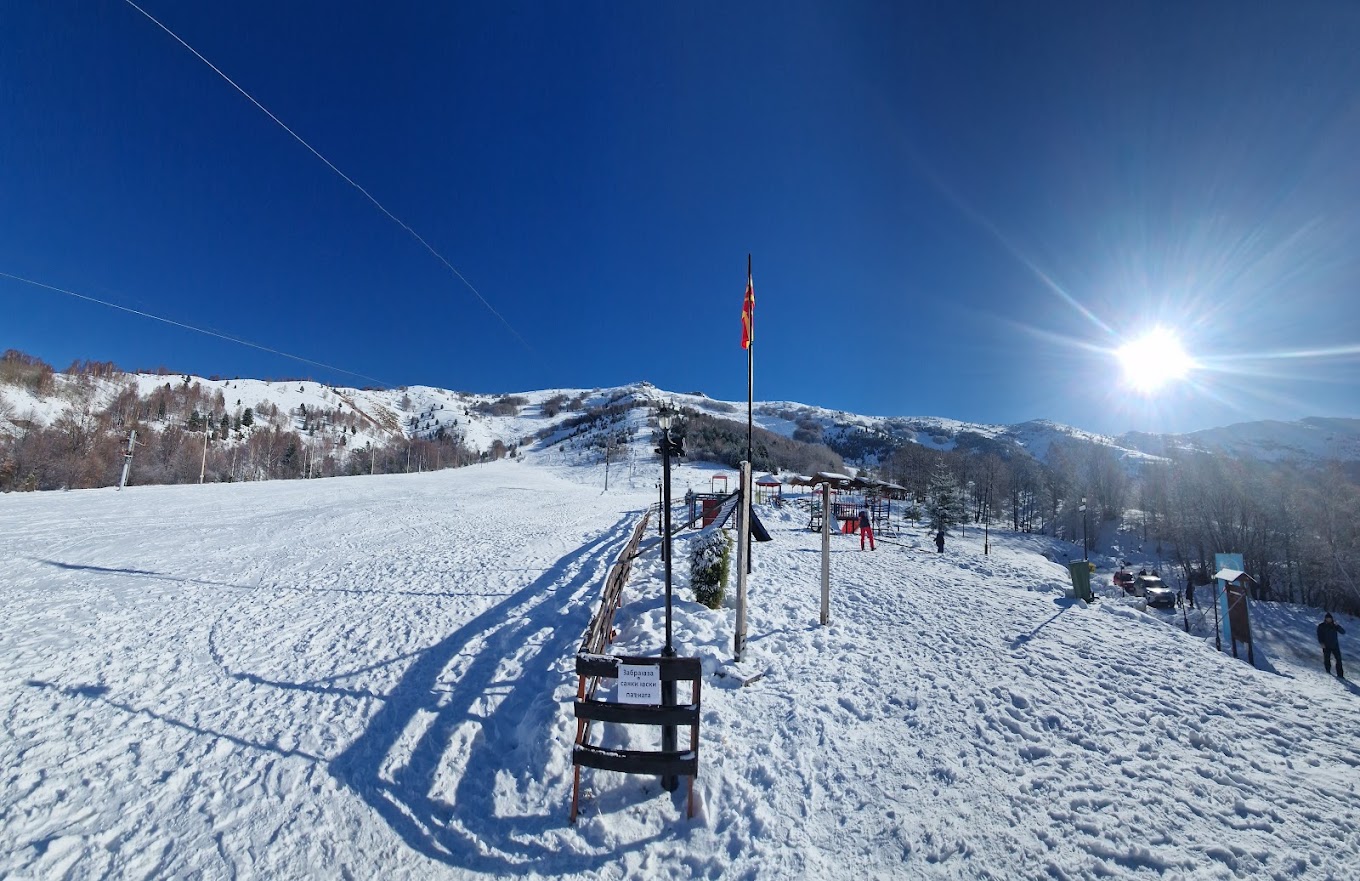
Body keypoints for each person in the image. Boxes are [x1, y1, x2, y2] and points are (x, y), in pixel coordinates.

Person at [1318, 613, 1346, 679]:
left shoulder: (1334, 625)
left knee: (1338, 660)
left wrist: (1338, 626)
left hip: (1335, 645)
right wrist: (1321, 643)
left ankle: (1340, 674)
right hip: (1326, 645)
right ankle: (1328, 671)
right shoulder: (1322, 626)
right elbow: (1319, 635)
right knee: (1327, 659)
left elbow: (1343, 632)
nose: (1329, 619)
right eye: (1327, 618)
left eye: (1330, 618)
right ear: (1325, 619)